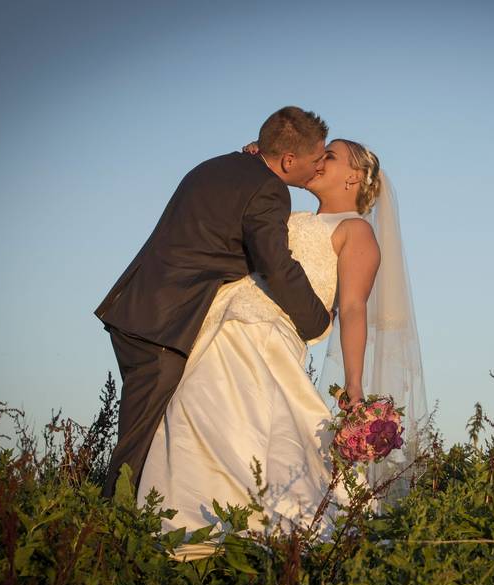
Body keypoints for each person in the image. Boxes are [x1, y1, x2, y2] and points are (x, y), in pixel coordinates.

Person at [136, 138, 427, 543]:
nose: (318, 160)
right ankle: (189, 529)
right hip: (219, 324)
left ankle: (231, 533)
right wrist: (260, 158)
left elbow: (354, 307)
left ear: (354, 176)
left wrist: (355, 383)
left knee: (234, 421)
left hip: (265, 337)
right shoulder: (286, 213)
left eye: (330, 155)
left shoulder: (355, 230)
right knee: (194, 417)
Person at [94, 107, 332, 498]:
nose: (318, 166)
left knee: (152, 436)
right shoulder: (270, 190)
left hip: (141, 309)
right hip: (164, 324)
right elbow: (275, 264)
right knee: (139, 444)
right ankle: (107, 531)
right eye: (315, 157)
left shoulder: (217, 165)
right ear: (289, 160)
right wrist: (317, 322)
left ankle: (128, 525)